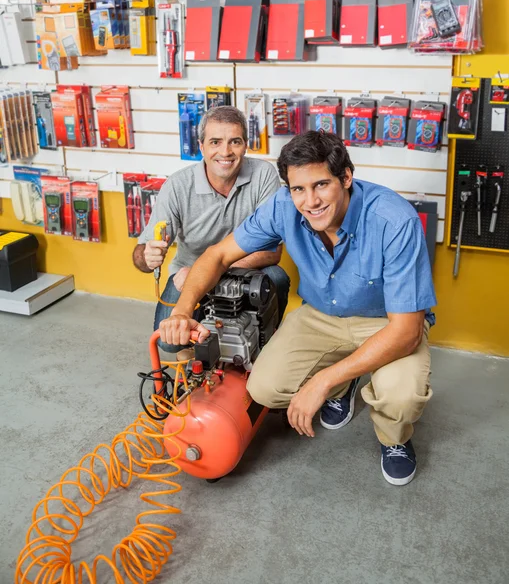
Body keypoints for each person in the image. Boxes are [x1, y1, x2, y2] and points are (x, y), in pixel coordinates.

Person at [159, 131, 437, 487]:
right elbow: (217, 255)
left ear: (346, 178)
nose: (310, 201)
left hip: (386, 323)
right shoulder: (282, 206)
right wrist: (182, 311)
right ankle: (346, 383)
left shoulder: (394, 220)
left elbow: (406, 331)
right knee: (263, 390)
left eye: (321, 184)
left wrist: (321, 382)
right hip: (321, 316)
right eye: (298, 189)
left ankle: (394, 438)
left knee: (400, 399)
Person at [133, 106, 290, 352]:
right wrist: (146, 257)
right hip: (186, 278)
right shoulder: (177, 186)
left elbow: (271, 253)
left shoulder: (263, 175)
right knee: (168, 342)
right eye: (215, 142)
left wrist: (210, 271)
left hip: (243, 271)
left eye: (234, 142)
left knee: (277, 277)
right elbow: (141, 259)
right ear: (201, 146)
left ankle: (265, 345)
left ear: (246, 145)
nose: (225, 152)